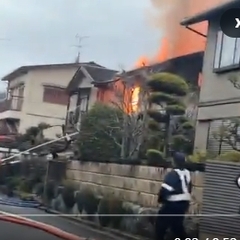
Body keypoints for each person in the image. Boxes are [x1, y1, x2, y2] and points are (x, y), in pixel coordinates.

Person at [155, 152, 192, 240]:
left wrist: (160, 199)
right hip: (184, 203)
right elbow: (190, 188)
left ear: (174, 162)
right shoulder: (187, 173)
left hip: (172, 203)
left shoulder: (173, 174)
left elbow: (165, 190)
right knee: (177, 226)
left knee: (160, 225)